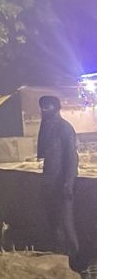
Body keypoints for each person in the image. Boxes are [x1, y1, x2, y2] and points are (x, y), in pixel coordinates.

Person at [36, 95, 80, 266]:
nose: (44, 109)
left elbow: (72, 159)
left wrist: (69, 183)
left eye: (48, 106)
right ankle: (59, 259)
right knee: (53, 223)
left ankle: (73, 263)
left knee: (66, 224)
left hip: (62, 185)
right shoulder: (46, 127)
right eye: (43, 106)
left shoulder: (65, 128)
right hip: (49, 183)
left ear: (57, 108)